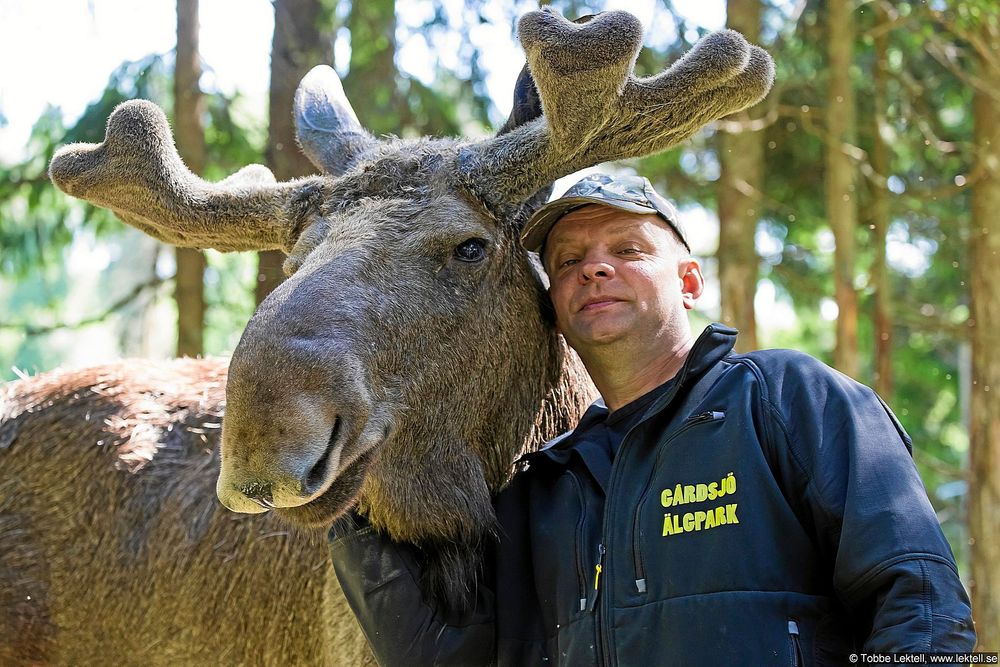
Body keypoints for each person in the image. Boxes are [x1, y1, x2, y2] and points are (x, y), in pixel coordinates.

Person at [329, 173, 977, 666]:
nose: (596, 266)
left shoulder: (788, 400)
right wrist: (351, 479)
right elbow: (445, 656)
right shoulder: (541, 490)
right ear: (552, 305)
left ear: (690, 280)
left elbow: (922, 603)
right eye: (568, 260)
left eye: (628, 248)